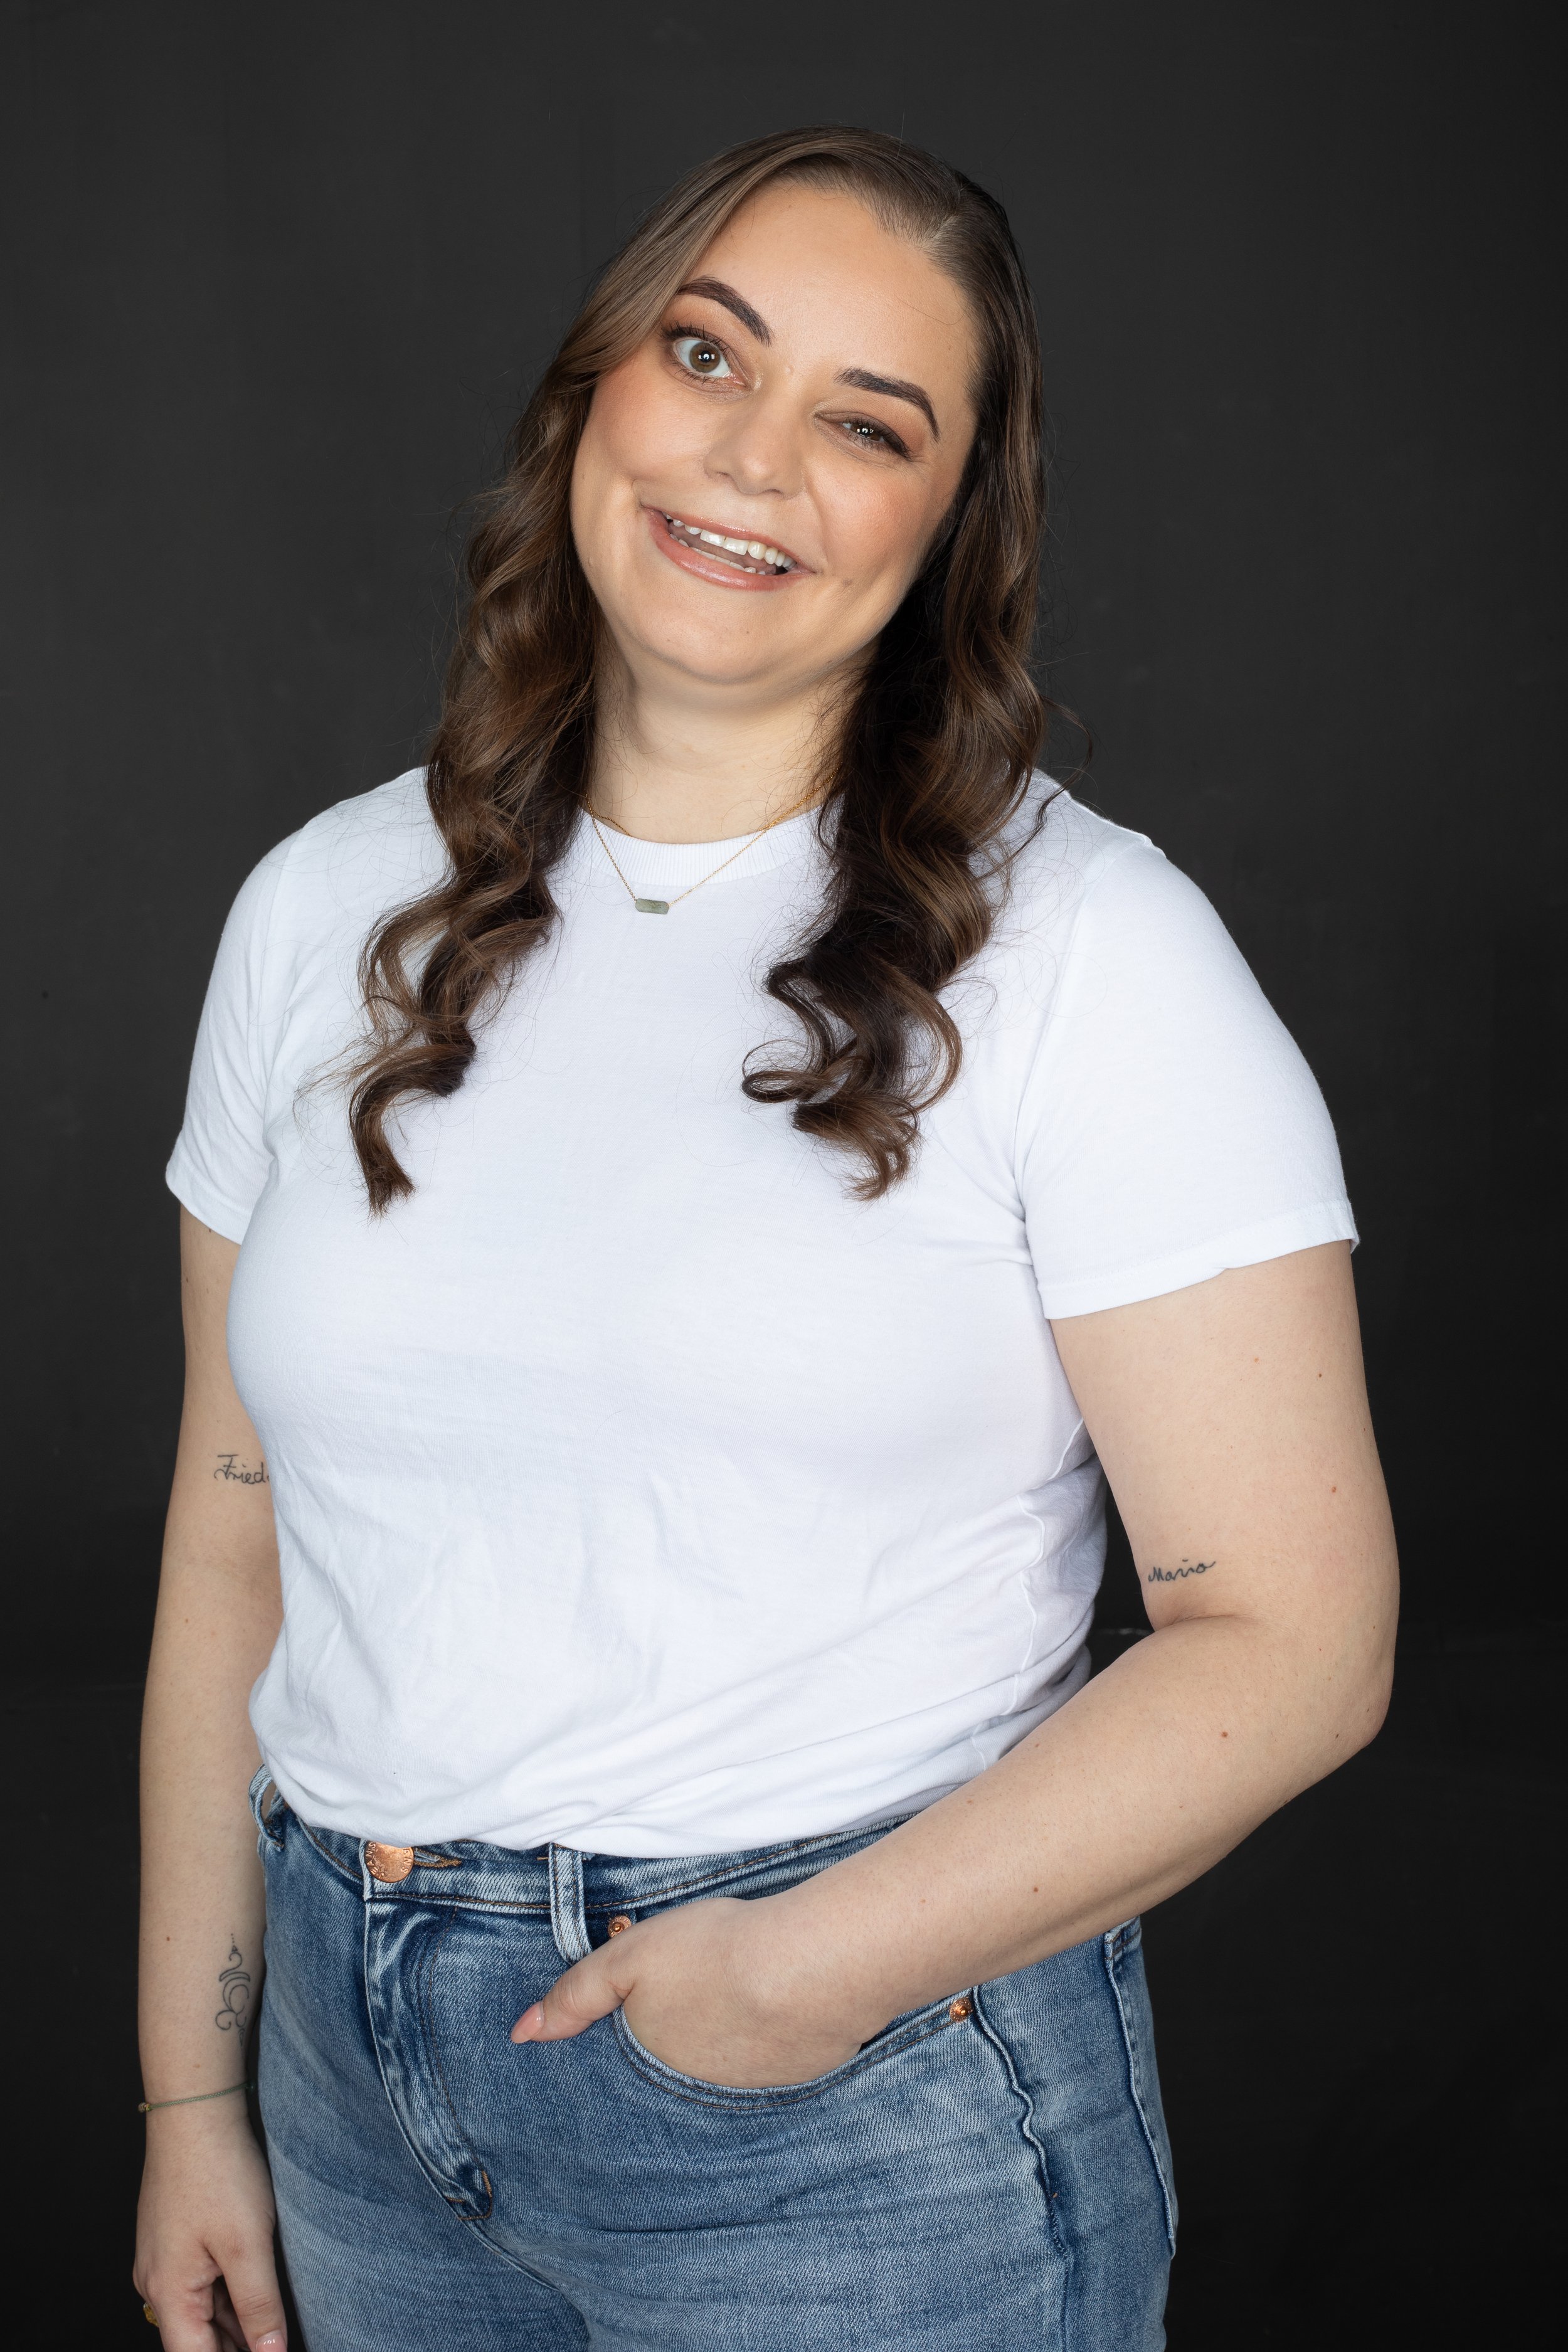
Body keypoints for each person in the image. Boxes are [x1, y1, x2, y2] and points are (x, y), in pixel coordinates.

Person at [133, 125, 1397, 2352]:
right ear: (592, 392)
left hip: (844, 2098)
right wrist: (189, 2093)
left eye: (865, 420)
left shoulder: (1088, 951)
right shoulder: (324, 905)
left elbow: (1290, 1633)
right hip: (349, 2066)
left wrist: (787, 1985)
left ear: (940, 527)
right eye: (707, 353)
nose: (752, 457)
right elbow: (232, 1525)